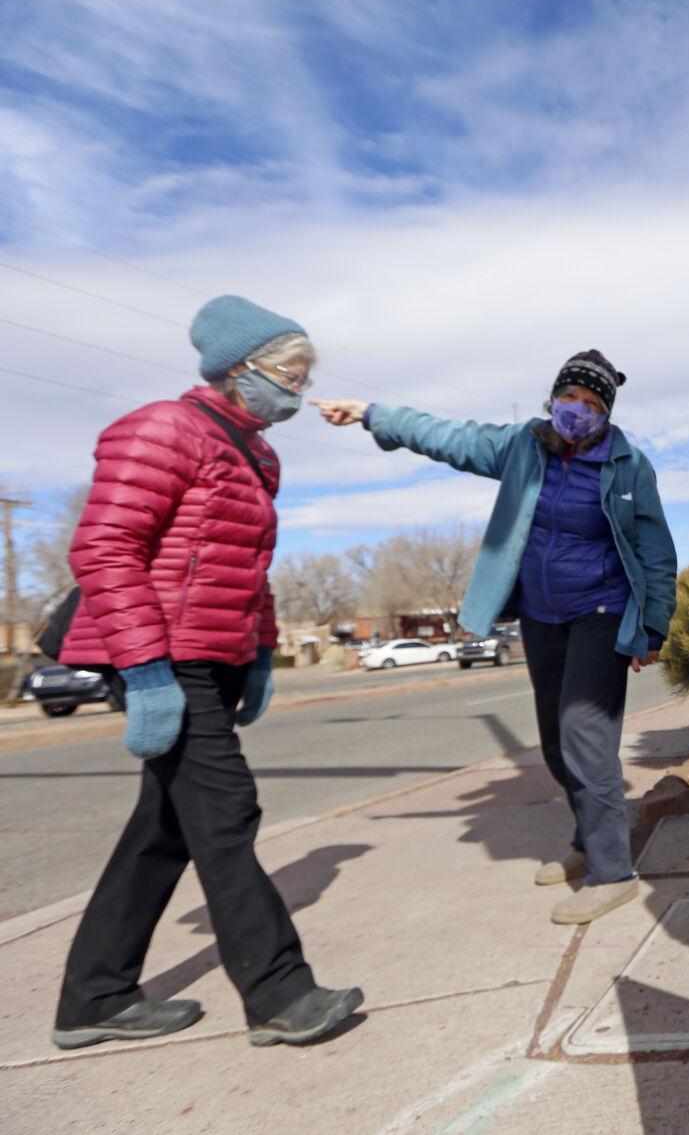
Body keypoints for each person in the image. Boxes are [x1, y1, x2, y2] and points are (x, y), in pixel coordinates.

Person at [53, 296, 363, 1051]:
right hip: (161, 654)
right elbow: (103, 548)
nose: (295, 388)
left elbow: (247, 570)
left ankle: (94, 996)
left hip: (211, 655)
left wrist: (259, 651)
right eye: (287, 373)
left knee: (162, 830)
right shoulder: (163, 428)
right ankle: (280, 993)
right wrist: (148, 671)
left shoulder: (257, 453)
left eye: (301, 375)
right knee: (226, 815)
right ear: (237, 367)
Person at [312, 350, 677, 926]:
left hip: (601, 610)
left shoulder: (629, 465)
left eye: (592, 403)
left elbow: (656, 548)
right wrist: (373, 414)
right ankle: (587, 844)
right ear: (553, 399)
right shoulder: (521, 446)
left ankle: (614, 874)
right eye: (570, 399)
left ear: (607, 412)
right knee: (555, 742)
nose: (578, 411)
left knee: (586, 738)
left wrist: (655, 623)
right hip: (540, 614)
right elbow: (449, 436)